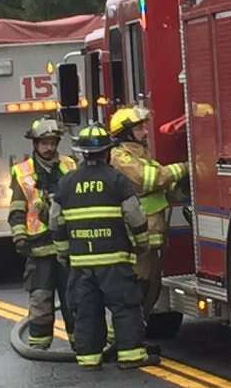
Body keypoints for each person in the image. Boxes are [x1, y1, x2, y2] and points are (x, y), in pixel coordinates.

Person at [50, 123, 156, 371]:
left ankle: (89, 359)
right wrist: (143, 245)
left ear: (81, 153)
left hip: (81, 263)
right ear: (107, 152)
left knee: (86, 311)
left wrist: (64, 252)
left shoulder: (67, 183)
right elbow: (135, 216)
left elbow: (56, 221)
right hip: (114, 262)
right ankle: (130, 356)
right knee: (125, 307)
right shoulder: (117, 180)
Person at [108, 106, 189, 315]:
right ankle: (123, 337)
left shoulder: (141, 155)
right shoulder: (120, 157)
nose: (145, 132)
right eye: (139, 128)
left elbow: (160, 186)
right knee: (136, 287)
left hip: (152, 231)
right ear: (126, 133)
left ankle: (135, 335)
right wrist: (185, 168)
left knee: (150, 287)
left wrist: (180, 189)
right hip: (137, 235)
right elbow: (149, 179)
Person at [8, 118, 77, 349]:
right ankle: (39, 345)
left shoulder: (70, 166)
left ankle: (82, 343)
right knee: (41, 299)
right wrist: (19, 237)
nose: (49, 148)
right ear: (35, 144)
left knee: (74, 298)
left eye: (52, 142)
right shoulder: (23, 172)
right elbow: (17, 209)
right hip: (39, 249)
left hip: (69, 247)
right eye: (44, 143)